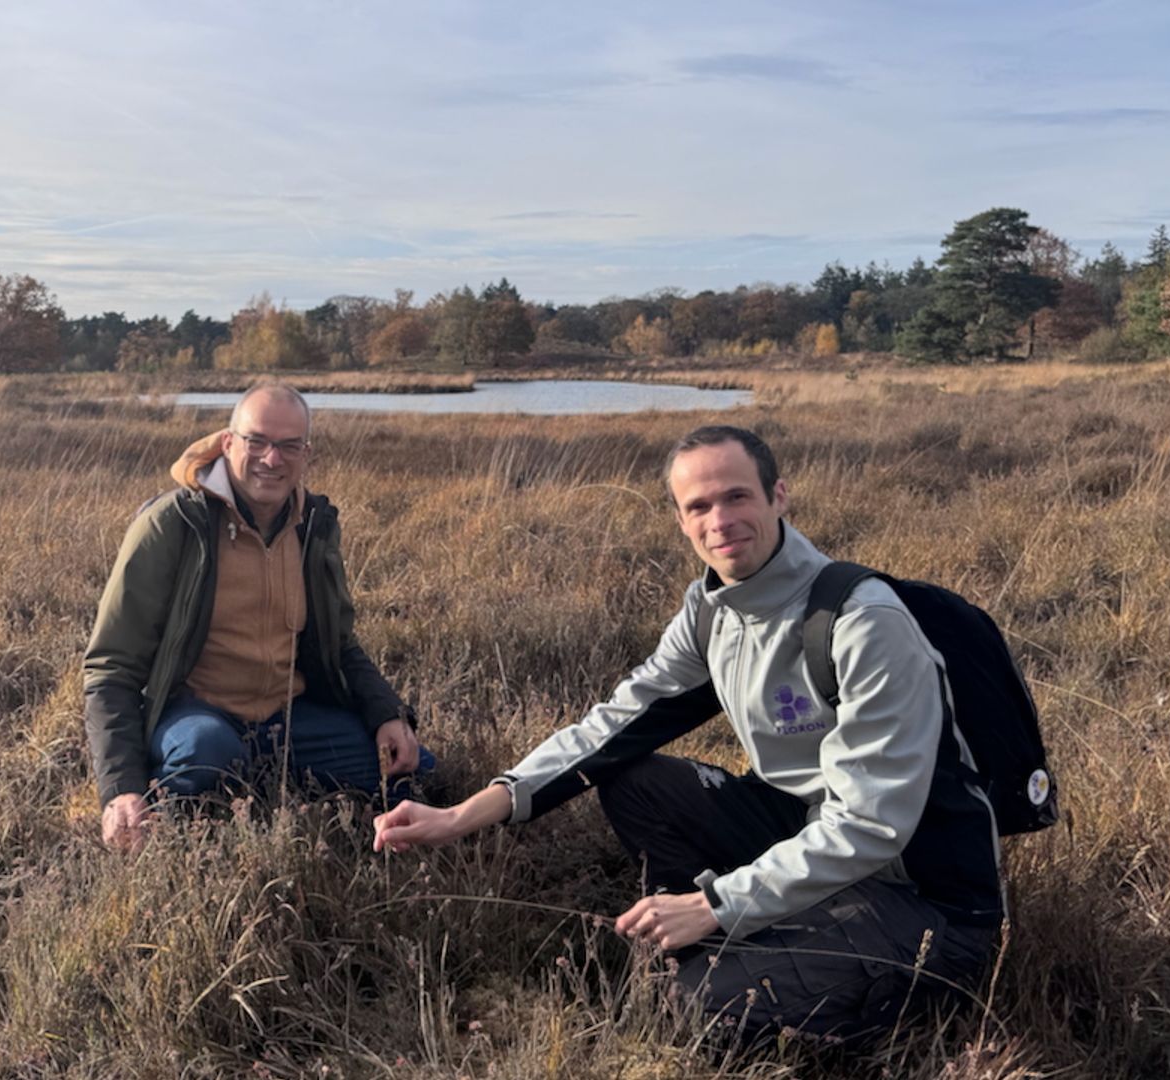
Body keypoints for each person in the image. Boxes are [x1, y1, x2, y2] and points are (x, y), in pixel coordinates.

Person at [373, 425, 1001, 1042]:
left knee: (688, 1009)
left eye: (737, 497)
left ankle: (741, 964)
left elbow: (869, 825)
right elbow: (613, 724)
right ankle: (719, 946)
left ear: (778, 496)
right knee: (637, 779)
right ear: (680, 520)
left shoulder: (861, 623)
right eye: (698, 506)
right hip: (805, 833)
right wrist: (461, 815)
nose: (719, 521)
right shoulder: (711, 611)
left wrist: (714, 906)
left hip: (923, 897)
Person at [85, 383, 429, 854]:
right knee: (208, 755)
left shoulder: (316, 526)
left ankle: (259, 785)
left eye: (289, 446)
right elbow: (111, 668)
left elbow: (341, 645)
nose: (272, 459)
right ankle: (185, 816)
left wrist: (387, 715)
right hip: (196, 713)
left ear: (307, 453)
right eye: (257, 441)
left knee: (415, 773)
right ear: (228, 443)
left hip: (288, 719)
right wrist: (121, 787)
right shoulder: (172, 525)